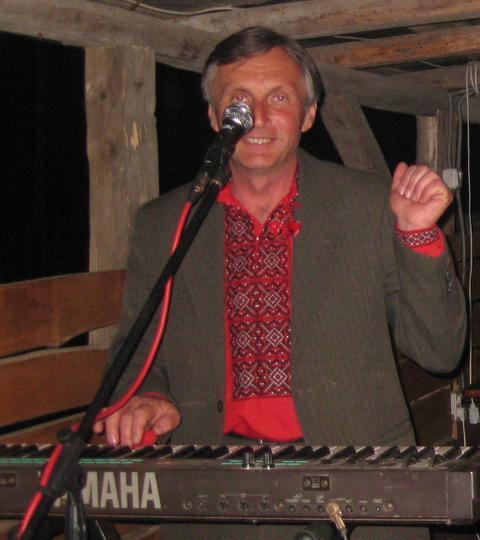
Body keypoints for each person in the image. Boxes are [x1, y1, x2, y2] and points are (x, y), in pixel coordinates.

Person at [93, 26, 466, 540]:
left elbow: (441, 352)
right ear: (214, 116)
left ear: (309, 114)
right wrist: (146, 396)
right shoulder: (164, 223)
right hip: (213, 496)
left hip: (359, 493)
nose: (258, 117)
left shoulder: (370, 204)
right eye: (239, 100)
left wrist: (418, 234)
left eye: (279, 98)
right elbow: (137, 352)